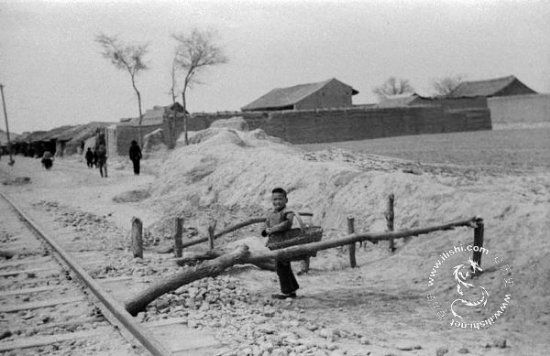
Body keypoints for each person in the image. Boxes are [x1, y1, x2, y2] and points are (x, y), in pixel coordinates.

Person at [262, 187, 299, 299]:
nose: (277, 202)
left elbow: (286, 224)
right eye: (274, 199)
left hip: (285, 242)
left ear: (286, 200)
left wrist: (272, 229)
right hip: (276, 243)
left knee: (281, 267)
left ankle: (286, 292)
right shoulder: (271, 213)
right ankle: (292, 289)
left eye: (280, 199)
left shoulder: (288, 212)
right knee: (284, 266)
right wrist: (265, 231)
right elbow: (266, 225)